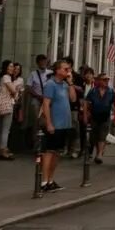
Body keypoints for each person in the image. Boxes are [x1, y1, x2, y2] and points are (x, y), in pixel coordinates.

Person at [39, 59, 78, 192]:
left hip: (64, 124)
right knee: (49, 152)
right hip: (54, 123)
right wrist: (49, 123)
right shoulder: (51, 84)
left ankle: (51, 179)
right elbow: (46, 104)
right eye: (65, 69)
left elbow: (73, 99)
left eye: (69, 69)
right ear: (57, 70)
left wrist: (71, 82)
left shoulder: (64, 84)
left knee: (57, 153)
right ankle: (44, 181)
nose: (68, 71)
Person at [0, 59, 22, 158]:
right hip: (7, 104)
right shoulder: (7, 77)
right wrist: (17, 91)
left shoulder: (1, 77)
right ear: (6, 67)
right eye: (10, 67)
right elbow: (13, 90)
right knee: (5, 129)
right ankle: (3, 149)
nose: (12, 69)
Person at [83, 72, 115, 164]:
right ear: (99, 81)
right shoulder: (93, 91)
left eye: (107, 80)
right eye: (104, 80)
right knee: (94, 137)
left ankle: (100, 154)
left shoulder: (111, 91)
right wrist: (85, 116)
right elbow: (86, 102)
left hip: (105, 117)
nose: (106, 81)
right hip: (94, 116)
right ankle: (99, 152)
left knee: (102, 135)